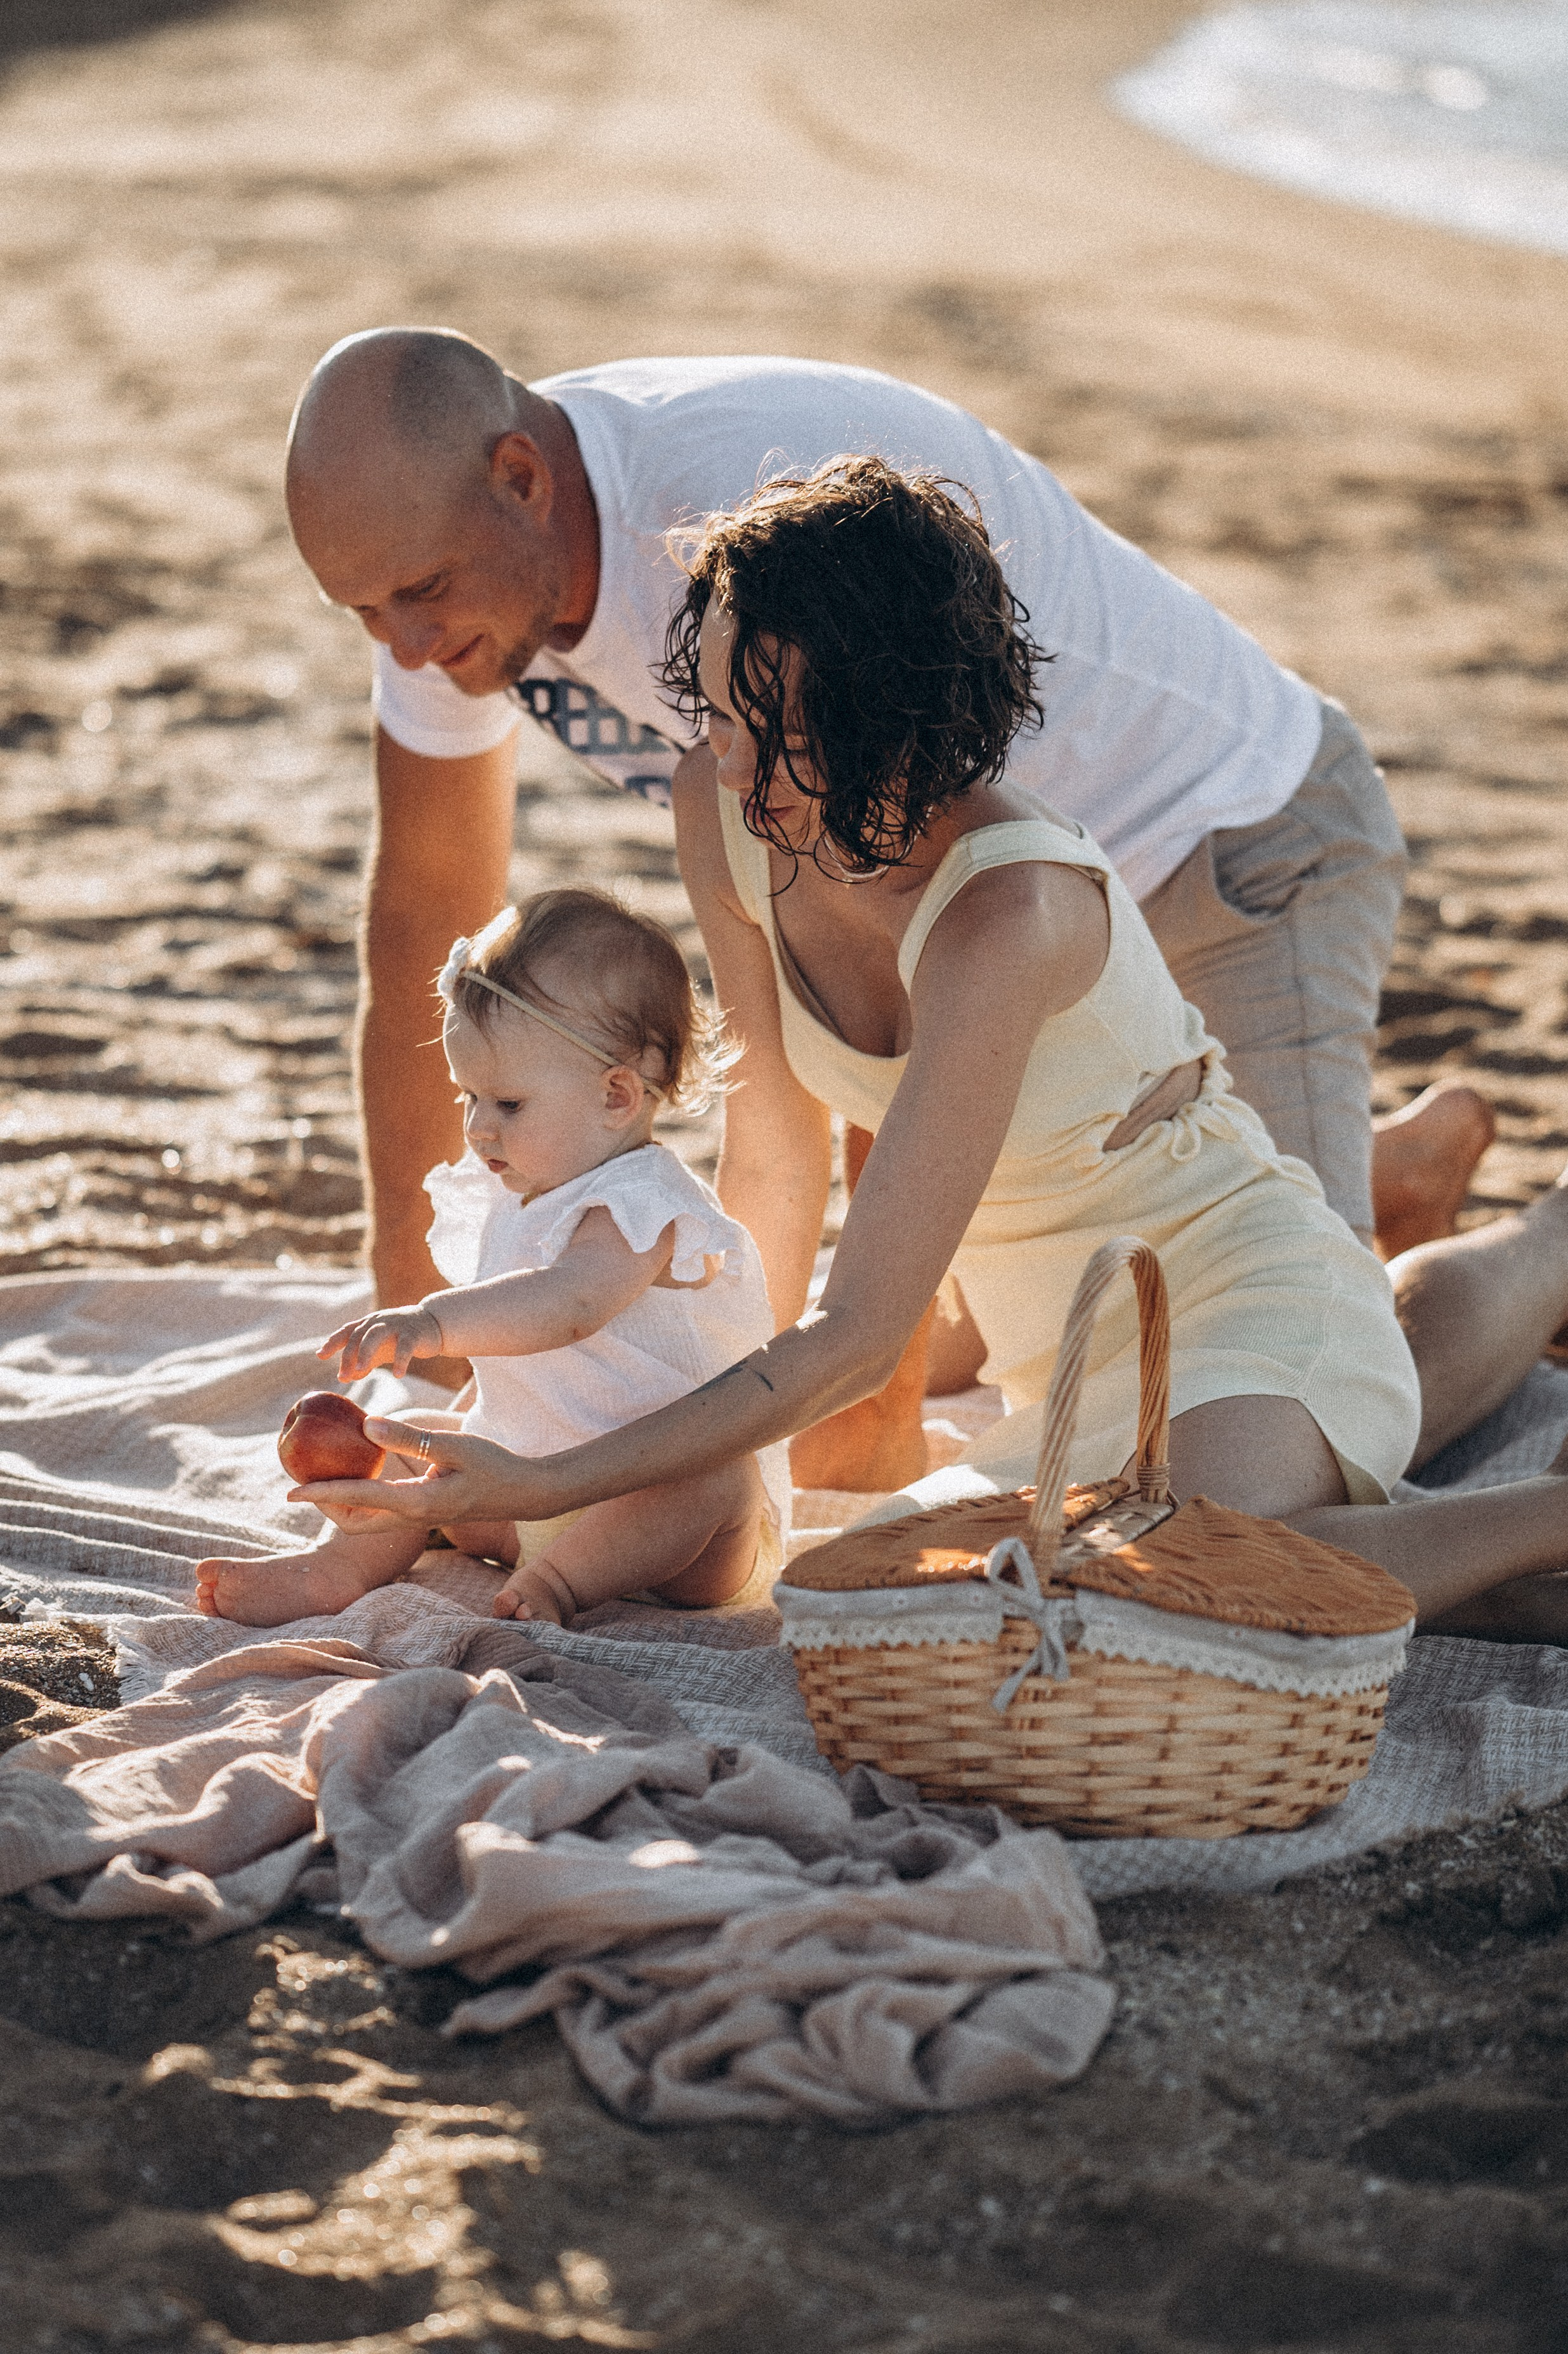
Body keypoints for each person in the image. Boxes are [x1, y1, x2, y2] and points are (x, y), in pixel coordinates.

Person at [291, 459, 1568, 1640]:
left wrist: (560, 1477)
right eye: (717, 708)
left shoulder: (1007, 912)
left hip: (1243, 1288)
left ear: (884, 720)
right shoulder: (725, 807)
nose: (724, 761)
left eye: (764, 723)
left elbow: (858, 1330)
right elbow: (775, 1166)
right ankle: (1533, 1303)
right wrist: (715, 1438)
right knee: (925, 1589)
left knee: (1180, 1572)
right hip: (1064, 1365)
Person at [195, 889, 785, 1627]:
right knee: (413, 1439)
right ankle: (332, 1573)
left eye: (507, 1104)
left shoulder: (644, 1203)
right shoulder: (524, 1193)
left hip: (670, 1538)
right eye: (467, 1098)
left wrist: (431, 1323)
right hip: (524, 1495)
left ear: (616, 1096)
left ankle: (561, 1588)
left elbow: (567, 1309)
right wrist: (467, 1427)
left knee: (718, 1478)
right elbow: (522, 1372)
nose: (478, 1129)